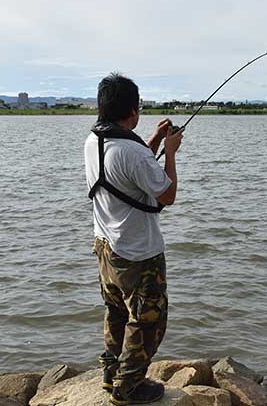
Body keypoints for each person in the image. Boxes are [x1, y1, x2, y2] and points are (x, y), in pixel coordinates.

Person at [84, 72, 184, 405]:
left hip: (105, 248)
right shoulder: (133, 153)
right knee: (148, 322)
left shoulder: (95, 141)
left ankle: (111, 376)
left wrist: (153, 139)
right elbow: (166, 194)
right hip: (138, 254)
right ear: (132, 111)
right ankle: (127, 389)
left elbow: (128, 172)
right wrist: (170, 151)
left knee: (116, 314)